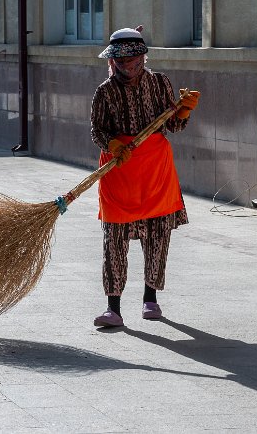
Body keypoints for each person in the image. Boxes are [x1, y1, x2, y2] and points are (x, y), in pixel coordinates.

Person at [90, 26, 199, 327]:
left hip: (155, 171)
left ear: (143, 58)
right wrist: (112, 143)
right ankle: (114, 308)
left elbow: (173, 126)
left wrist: (184, 112)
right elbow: (97, 129)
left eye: (132, 62)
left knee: (157, 235)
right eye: (120, 63)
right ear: (112, 62)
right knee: (114, 240)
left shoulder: (160, 83)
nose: (126, 68)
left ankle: (150, 299)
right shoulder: (105, 91)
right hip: (119, 170)